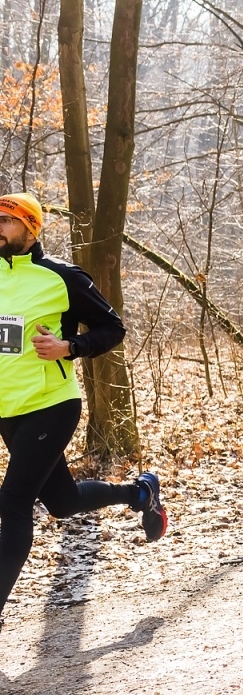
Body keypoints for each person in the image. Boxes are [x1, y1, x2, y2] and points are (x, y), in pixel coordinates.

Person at [0, 194, 169, 632]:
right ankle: (140, 493)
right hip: (8, 410)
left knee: (14, 501)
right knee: (61, 500)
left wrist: (69, 347)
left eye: (5, 221)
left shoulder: (61, 277)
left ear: (30, 228)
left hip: (51, 405)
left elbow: (113, 328)